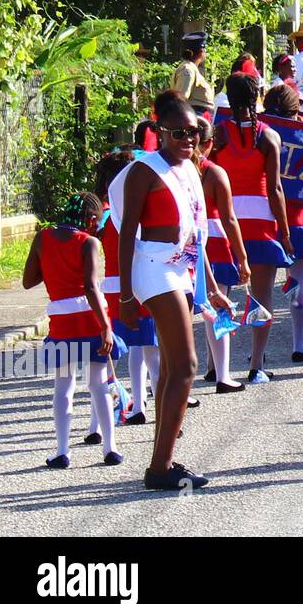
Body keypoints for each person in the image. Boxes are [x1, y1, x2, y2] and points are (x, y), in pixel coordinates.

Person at [110, 90, 231, 490]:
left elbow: (196, 234)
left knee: (170, 370)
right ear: (158, 131)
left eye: (194, 132)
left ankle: (162, 459)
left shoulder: (190, 169)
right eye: (178, 133)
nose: (188, 140)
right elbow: (127, 232)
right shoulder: (146, 170)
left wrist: (211, 286)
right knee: (187, 366)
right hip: (152, 268)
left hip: (182, 268)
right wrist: (126, 295)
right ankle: (160, 467)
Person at [23, 191, 125, 469]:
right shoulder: (88, 242)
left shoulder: (42, 238)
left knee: (63, 386)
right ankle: (110, 448)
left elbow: (28, 281)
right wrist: (106, 327)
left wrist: (54, 267)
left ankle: (62, 451)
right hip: (90, 319)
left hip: (62, 323)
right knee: (98, 384)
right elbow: (92, 287)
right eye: (98, 222)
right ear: (91, 220)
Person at [211, 73, 293, 384]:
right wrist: (284, 233)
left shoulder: (217, 135)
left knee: (221, 293)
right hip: (261, 222)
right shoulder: (269, 136)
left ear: (227, 98)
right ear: (258, 95)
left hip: (225, 219)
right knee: (260, 297)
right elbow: (275, 189)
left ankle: (217, 367)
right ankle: (257, 365)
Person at [259, 85, 303, 362]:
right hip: (298, 217)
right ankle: (299, 345)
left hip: (264, 216)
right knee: (297, 283)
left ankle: (257, 352)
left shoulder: (258, 135)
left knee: (261, 288)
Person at [92, 150, 156, 431]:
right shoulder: (142, 208)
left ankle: (101, 422)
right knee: (151, 352)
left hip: (112, 289)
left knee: (111, 356)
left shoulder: (103, 216)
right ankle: (151, 408)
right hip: (143, 284)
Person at [196, 119, 251, 391]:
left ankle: (208, 366)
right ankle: (223, 374)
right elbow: (229, 218)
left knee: (190, 310)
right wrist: (242, 257)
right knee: (219, 308)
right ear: (209, 144)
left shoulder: (174, 170)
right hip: (214, 239)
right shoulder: (214, 172)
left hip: (182, 241)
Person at [172, 31, 215, 118]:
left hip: (201, 115)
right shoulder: (188, 69)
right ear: (201, 51)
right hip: (195, 117)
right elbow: (181, 98)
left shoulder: (192, 68)